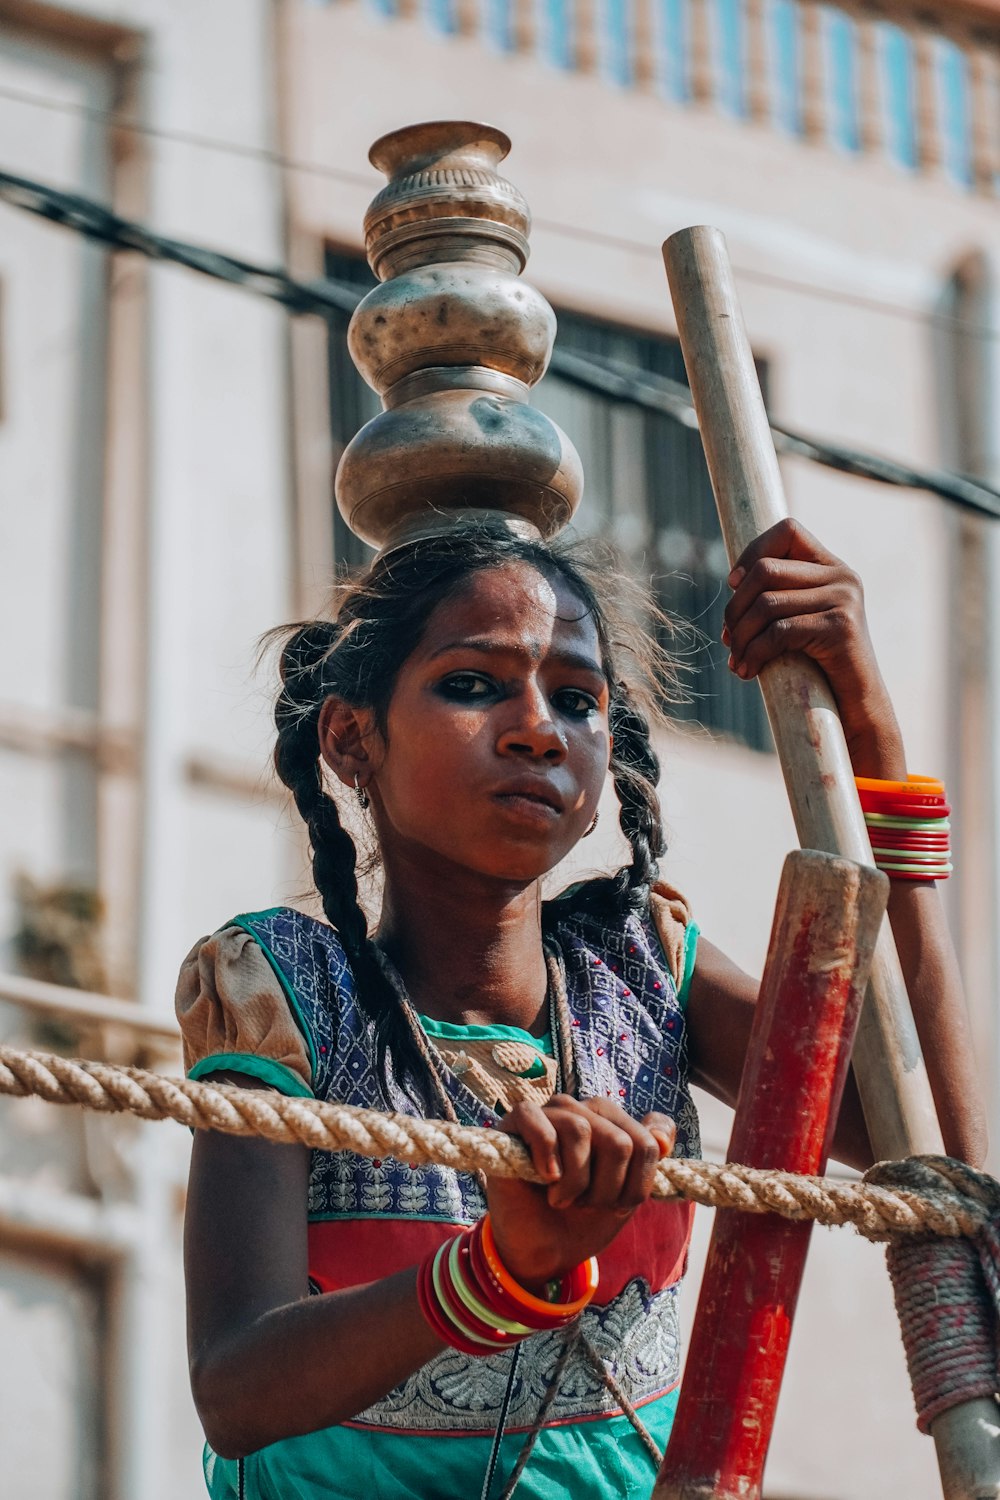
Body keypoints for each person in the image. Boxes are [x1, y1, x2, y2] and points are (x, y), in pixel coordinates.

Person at [176, 514, 985, 1500]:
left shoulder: (642, 967)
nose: (536, 729)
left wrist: (864, 720)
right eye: (471, 685)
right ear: (351, 738)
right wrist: (498, 1270)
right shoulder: (285, 988)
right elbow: (235, 1385)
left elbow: (939, 1142)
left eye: (576, 699)